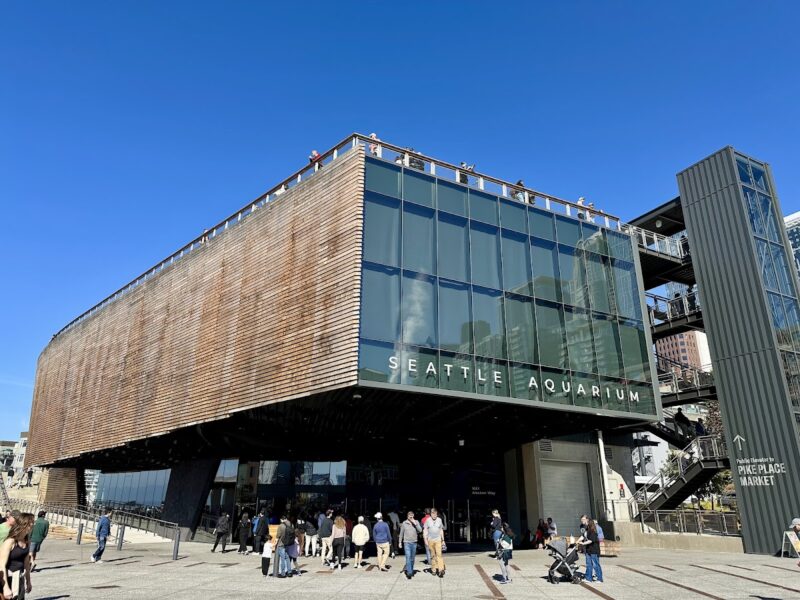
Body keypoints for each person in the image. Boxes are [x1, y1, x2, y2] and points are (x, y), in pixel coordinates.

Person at [0, 512, 33, 600]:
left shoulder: (27, 541)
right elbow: (1, 565)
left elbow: (26, 564)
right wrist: (5, 587)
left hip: (19, 579)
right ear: (23, 524)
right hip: (8, 579)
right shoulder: (10, 541)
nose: (32, 525)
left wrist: (28, 581)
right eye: (31, 523)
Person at [578, 515, 603, 583]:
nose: (582, 521)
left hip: (594, 549)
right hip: (588, 549)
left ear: (587, 520)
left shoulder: (592, 528)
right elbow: (583, 536)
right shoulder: (586, 528)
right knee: (588, 564)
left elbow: (591, 540)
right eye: (581, 519)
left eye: (583, 519)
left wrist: (583, 543)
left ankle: (599, 578)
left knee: (595, 564)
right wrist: (577, 541)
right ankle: (588, 578)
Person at [398, 511, 422, 580]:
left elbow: (420, 530)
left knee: (412, 558)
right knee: (408, 557)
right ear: (407, 516)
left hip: (414, 542)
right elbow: (401, 533)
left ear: (413, 515)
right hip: (406, 543)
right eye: (409, 515)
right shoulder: (404, 523)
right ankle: (409, 572)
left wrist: (414, 523)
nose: (411, 516)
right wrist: (400, 542)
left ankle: (410, 569)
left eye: (412, 515)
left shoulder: (416, 522)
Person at [423, 508, 446, 578]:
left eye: (435, 514)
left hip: (438, 540)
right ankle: (433, 569)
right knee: (433, 556)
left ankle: (441, 569)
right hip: (430, 540)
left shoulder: (439, 520)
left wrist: (443, 540)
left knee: (439, 555)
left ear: (436, 514)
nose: (434, 515)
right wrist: (425, 540)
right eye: (433, 513)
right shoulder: (427, 521)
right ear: (431, 514)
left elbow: (441, 530)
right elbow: (425, 530)